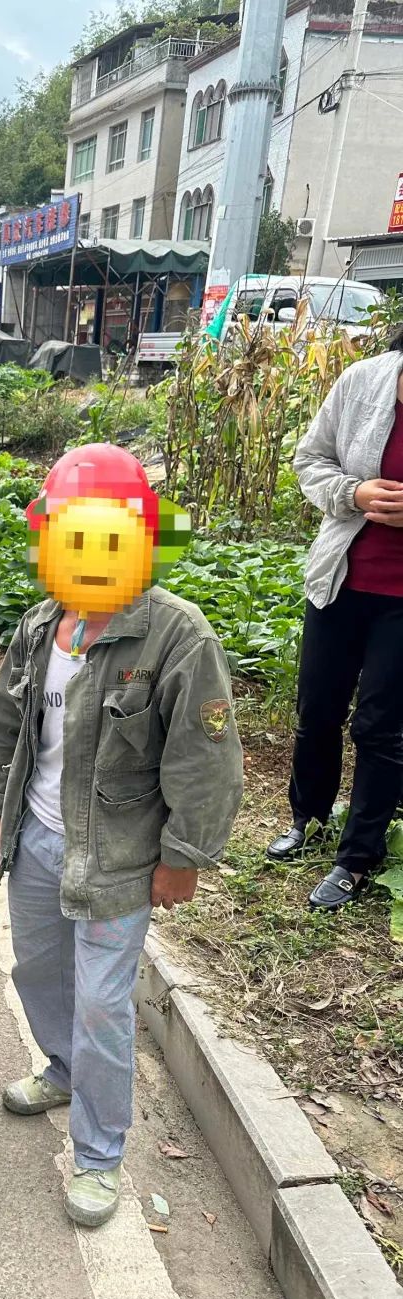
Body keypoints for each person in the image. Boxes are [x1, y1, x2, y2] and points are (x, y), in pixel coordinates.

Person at [0, 445, 243, 1228]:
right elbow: (5, 724)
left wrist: (184, 858)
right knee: (39, 973)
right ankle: (61, 1071)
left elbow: (206, 757)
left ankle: (98, 1157)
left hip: (121, 860)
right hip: (37, 842)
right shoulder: (38, 626)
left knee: (103, 1004)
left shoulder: (176, 638)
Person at [267, 327, 403, 910]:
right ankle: (309, 820)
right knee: (317, 708)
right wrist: (355, 493)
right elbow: (310, 458)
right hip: (340, 581)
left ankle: (356, 858)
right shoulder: (362, 382)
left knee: (380, 727)